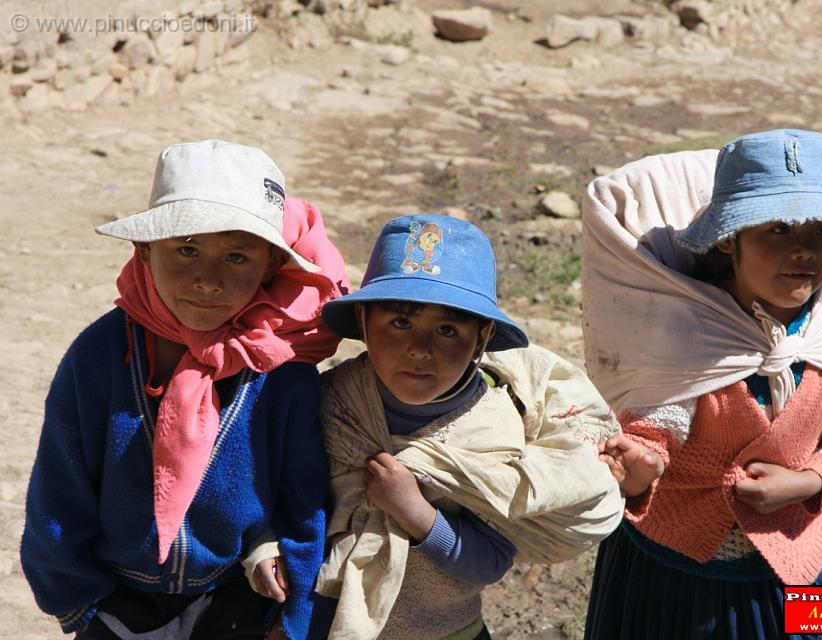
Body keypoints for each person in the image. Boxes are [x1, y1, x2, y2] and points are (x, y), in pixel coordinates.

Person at [580, 129, 822, 639]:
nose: (803, 251)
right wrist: (639, 468)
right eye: (777, 230)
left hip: (794, 553)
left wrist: (809, 482)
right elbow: (651, 434)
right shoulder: (683, 333)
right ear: (730, 237)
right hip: (675, 575)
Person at [20, 139, 349, 640]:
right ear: (146, 251)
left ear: (268, 267)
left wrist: (295, 610)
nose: (208, 280)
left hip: (235, 594)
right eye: (187, 249)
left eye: (236, 256)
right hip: (115, 601)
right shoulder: (99, 357)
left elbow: (302, 499)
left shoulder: (278, 371)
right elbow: (58, 489)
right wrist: (76, 601)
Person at [248, 214, 624, 640]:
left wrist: (420, 516)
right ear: (366, 323)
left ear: (481, 338)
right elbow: (278, 492)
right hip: (321, 625)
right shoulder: (332, 402)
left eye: (447, 329)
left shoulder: (491, 430)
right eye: (401, 322)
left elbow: (493, 560)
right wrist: (264, 545)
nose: (419, 349)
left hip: (445, 630)